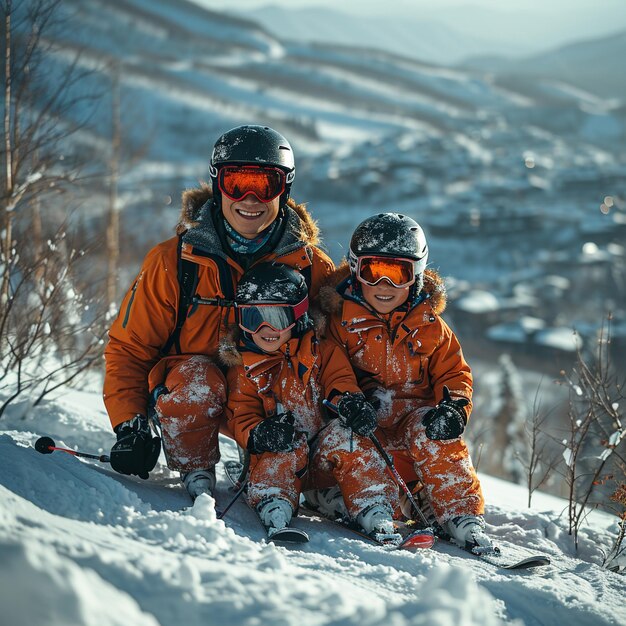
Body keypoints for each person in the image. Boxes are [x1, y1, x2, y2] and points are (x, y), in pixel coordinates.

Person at [103, 125, 335, 501]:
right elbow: (130, 347)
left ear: (284, 190)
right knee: (198, 378)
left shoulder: (310, 268)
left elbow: (350, 351)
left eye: (265, 185)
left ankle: (294, 471)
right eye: (236, 183)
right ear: (217, 184)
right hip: (195, 392)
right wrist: (130, 426)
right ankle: (196, 466)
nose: (249, 198)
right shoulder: (175, 262)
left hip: (268, 399)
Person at [320, 212, 491, 550]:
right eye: (373, 272)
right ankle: (372, 506)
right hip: (365, 429)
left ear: (416, 275)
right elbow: (331, 370)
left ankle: (459, 513)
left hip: (411, 433)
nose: (385, 286)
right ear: (356, 270)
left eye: (398, 274)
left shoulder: (430, 326)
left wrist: (455, 406)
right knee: (349, 436)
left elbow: (454, 373)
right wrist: (347, 401)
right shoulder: (340, 323)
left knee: (434, 427)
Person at [221, 262, 401, 540]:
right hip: (277, 461)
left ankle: (373, 506)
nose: (266, 328)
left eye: (278, 318)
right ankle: (275, 503)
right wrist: (260, 433)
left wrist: (350, 403)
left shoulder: (323, 352)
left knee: (348, 435)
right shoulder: (243, 367)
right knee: (284, 442)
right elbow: (241, 416)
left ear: (297, 316)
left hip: (321, 458)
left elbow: (341, 382)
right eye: (253, 318)